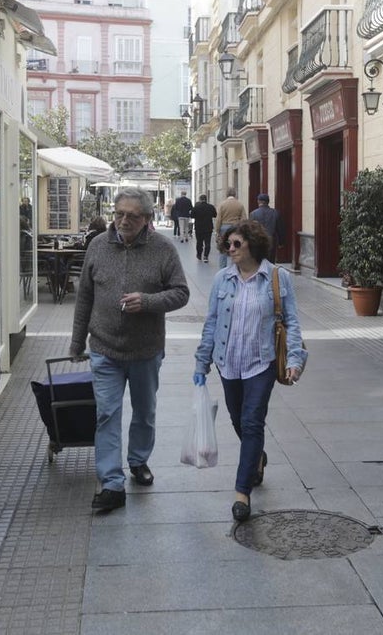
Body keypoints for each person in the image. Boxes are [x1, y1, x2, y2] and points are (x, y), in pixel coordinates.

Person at [68, 187, 189, 512]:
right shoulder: (97, 246)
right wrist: (77, 342)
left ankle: (138, 460)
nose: (123, 220)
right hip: (104, 348)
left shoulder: (163, 249)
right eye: (119, 214)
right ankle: (111, 483)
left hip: (145, 350)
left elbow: (181, 293)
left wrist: (148, 302)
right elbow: (85, 298)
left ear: (148, 219)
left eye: (132, 216)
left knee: (144, 412)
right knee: (106, 414)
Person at [194, 221, 306, 522]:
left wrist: (295, 359)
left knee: (252, 420)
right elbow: (212, 322)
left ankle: (242, 492)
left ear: (252, 245)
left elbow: (291, 322)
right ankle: (255, 457)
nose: (230, 250)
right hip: (228, 362)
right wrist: (201, 362)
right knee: (237, 418)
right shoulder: (222, 279)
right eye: (227, 245)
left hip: (261, 362)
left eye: (236, 244)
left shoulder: (276, 277)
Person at [215, 187, 248, 267]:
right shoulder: (240, 204)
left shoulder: (222, 204)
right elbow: (244, 219)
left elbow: (218, 219)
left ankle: (222, 268)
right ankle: (234, 267)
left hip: (224, 227)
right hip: (236, 228)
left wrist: (217, 230)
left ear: (227, 194)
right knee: (236, 247)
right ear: (235, 194)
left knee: (223, 248)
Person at [249, 193, 282, 262]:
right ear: (268, 202)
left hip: (258, 241)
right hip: (271, 241)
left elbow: (250, 230)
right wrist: (281, 242)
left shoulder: (253, 214)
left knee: (259, 261)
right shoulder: (275, 213)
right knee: (271, 261)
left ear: (258, 201)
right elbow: (280, 229)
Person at [190, 194, 217, 262]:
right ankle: (205, 256)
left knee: (199, 242)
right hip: (208, 227)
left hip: (198, 228)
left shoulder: (196, 207)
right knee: (207, 243)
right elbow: (215, 215)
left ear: (200, 199)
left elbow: (192, 216)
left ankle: (199, 255)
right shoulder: (211, 207)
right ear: (206, 199)